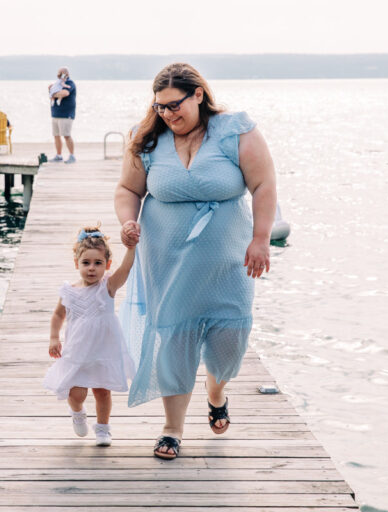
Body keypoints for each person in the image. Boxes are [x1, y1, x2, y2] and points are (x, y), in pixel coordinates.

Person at [114, 63, 277, 460]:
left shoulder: (235, 131)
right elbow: (127, 189)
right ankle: (172, 428)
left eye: (175, 105)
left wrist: (260, 239)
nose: (168, 115)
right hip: (167, 261)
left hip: (229, 261)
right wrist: (128, 221)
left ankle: (216, 391)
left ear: (199, 95)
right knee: (173, 336)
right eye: (160, 107)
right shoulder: (147, 140)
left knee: (229, 338)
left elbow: (264, 184)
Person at [43, 225, 137, 447]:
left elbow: (126, 268)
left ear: (107, 265)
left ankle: (103, 429)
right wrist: (54, 337)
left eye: (98, 263)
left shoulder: (108, 287)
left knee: (102, 391)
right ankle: (77, 412)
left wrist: (131, 248)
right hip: (78, 350)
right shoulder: (69, 291)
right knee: (76, 393)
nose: (92, 268)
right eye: (86, 263)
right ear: (77, 264)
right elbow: (58, 315)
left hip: (104, 349)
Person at [49, 67, 77, 163]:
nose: (60, 75)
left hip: (66, 114)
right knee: (56, 135)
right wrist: (55, 93)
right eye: (59, 73)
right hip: (55, 114)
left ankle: (72, 156)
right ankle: (59, 155)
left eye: (62, 73)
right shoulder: (57, 83)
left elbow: (65, 93)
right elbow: (50, 92)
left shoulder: (70, 83)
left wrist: (53, 94)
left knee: (66, 135)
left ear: (67, 74)